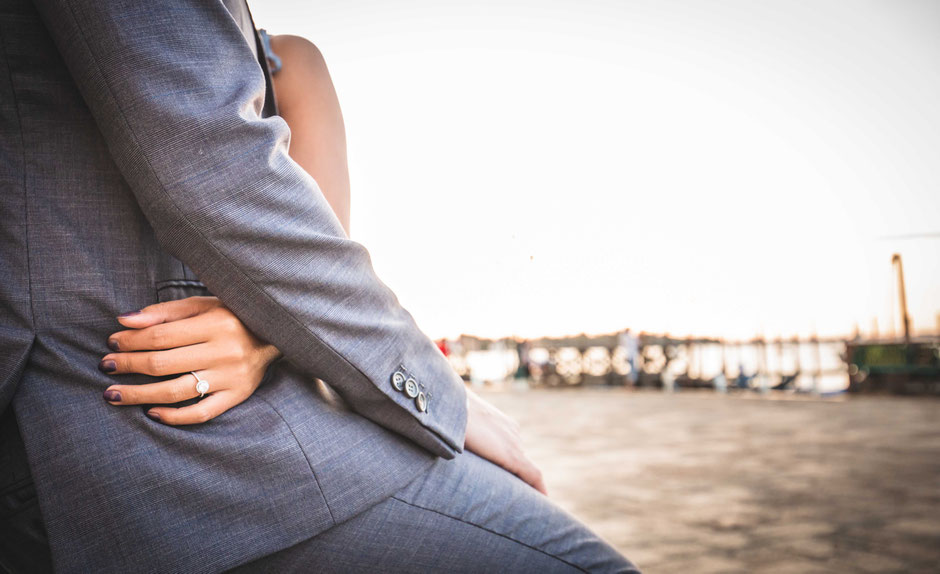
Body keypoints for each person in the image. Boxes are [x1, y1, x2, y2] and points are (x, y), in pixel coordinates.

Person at [0, 0, 638, 572]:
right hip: (117, 432)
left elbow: (305, 256)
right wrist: (440, 393)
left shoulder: (292, 63)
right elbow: (209, 161)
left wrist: (263, 334)